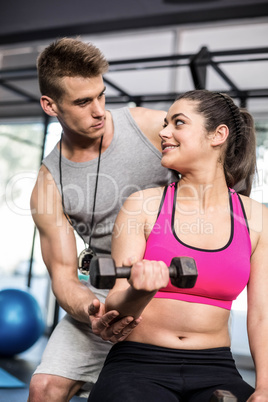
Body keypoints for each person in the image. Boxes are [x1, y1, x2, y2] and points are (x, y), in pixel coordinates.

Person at [88, 90, 268, 402]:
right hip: (137, 364)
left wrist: (265, 387)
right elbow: (117, 305)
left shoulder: (257, 218)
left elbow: (262, 315)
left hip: (216, 368)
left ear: (218, 135)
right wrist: (140, 290)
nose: (164, 132)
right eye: (164, 123)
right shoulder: (142, 205)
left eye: (178, 123)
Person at [28, 37, 178, 401]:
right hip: (104, 292)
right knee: (43, 387)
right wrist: (93, 312)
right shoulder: (49, 183)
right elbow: (63, 276)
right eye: (82, 101)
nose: (99, 110)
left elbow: (217, 164)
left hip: (170, 283)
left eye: (101, 95)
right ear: (51, 105)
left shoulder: (148, 127)